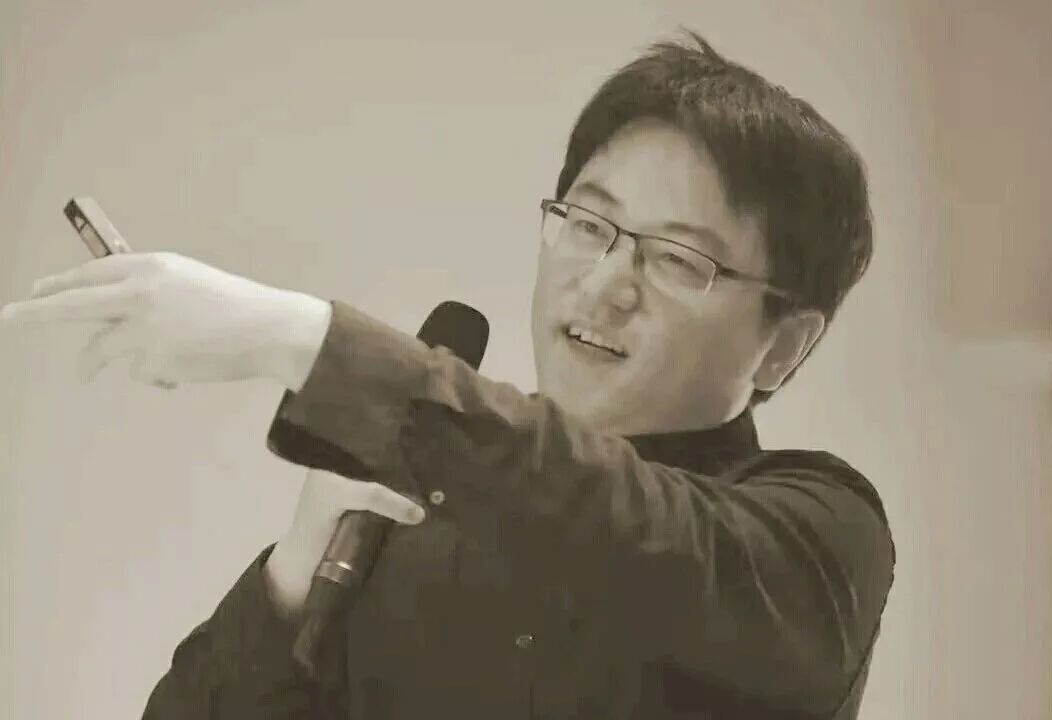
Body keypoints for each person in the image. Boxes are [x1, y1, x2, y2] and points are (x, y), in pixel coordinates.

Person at [2, 31, 894, 719]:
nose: (604, 285)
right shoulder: (414, 512)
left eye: (676, 259)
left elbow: (631, 524)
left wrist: (303, 339)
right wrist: (293, 577)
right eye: (589, 225)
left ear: (784, 345)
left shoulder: (816, 539)